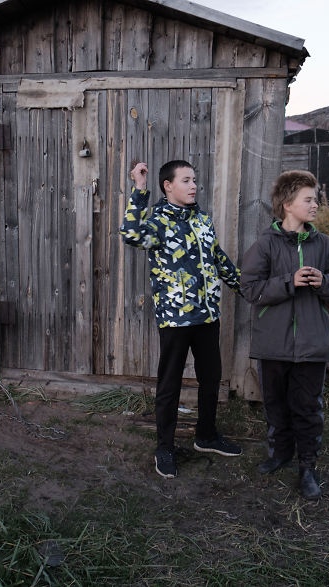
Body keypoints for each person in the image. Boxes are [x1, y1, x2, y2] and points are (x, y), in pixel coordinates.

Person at [120, 159, 243, 479]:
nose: (193, 186)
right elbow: (130, 235)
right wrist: (139, 191)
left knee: (211, 378)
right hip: (175, 318)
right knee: (170, 384)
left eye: (194, 180)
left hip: (206, 315)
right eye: (186, 180)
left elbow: (218, 257)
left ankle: (206, 436)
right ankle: (165, 447)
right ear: (168, 185)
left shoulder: (202, 219)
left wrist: (246, 288)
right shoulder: (158, 221)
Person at [240, 170, 329, 499]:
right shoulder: (265, 244)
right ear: (288, 204)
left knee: (307, 407)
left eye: (316, 199)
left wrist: (322, 283)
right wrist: (289, 282)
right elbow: (250, 289)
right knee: (275, 404)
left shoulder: (325, 244)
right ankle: (279, 454)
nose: (316, 205)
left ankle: (308, 467)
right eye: (309, 199)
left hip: (313, 345)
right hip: (273, 344)